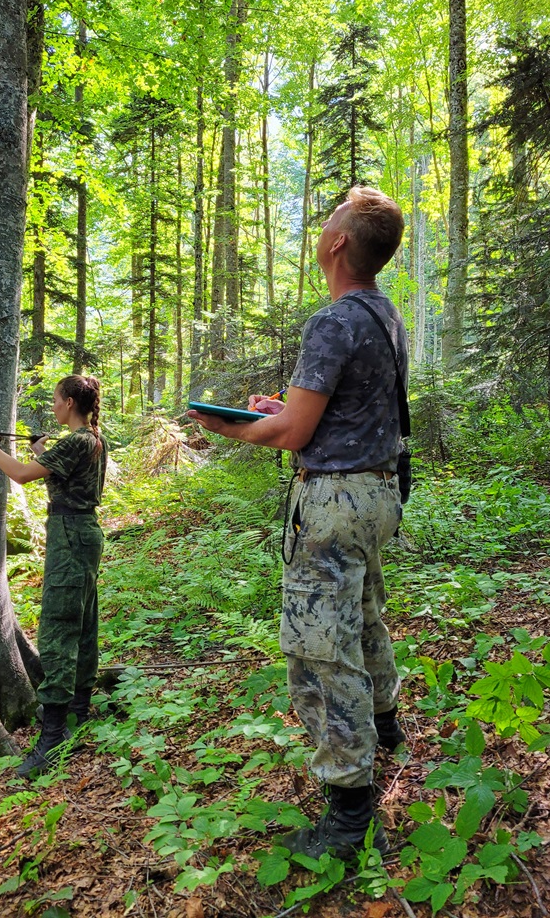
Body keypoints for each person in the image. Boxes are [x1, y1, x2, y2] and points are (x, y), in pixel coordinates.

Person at [188, 186, 407, 860]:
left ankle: (348, 815)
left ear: (339, 243)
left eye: (330, 222)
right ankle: (386, 726)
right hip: (377, 493)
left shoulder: (333, 319)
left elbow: (294, 433)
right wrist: (277, 409)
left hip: (335, 503)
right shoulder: (383, 314)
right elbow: (335, 409)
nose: (323, 229)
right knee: (363, 610)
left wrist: (230, 425)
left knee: (319, 645)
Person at [0, 374, 107, 778]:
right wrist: (43, 450)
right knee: (82, 619)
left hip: (71, 535)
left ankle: (54, 734)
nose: (54, 405)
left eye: (58, 399)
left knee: (60, 626)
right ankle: (78, 707)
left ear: (71, 402)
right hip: (82, 533)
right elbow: (54, 467)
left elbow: (23, 474)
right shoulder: (91, 437)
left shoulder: (78, 441)